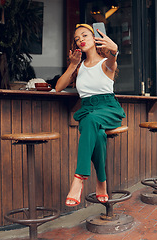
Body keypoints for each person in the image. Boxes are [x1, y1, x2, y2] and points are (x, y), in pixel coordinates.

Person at [55, 23, 126, 207]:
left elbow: (112, 59)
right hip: (87, 110)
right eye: (77, 39)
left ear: (95, 38)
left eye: (85, 36)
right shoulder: (80, 67)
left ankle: (78, 179)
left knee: (90, 121)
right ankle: (101, 181)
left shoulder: (105, 64)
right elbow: (58, 87)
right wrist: (72, 64)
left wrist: (114, 50)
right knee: (98, 133)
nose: (81, 41)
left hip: (108, 109)